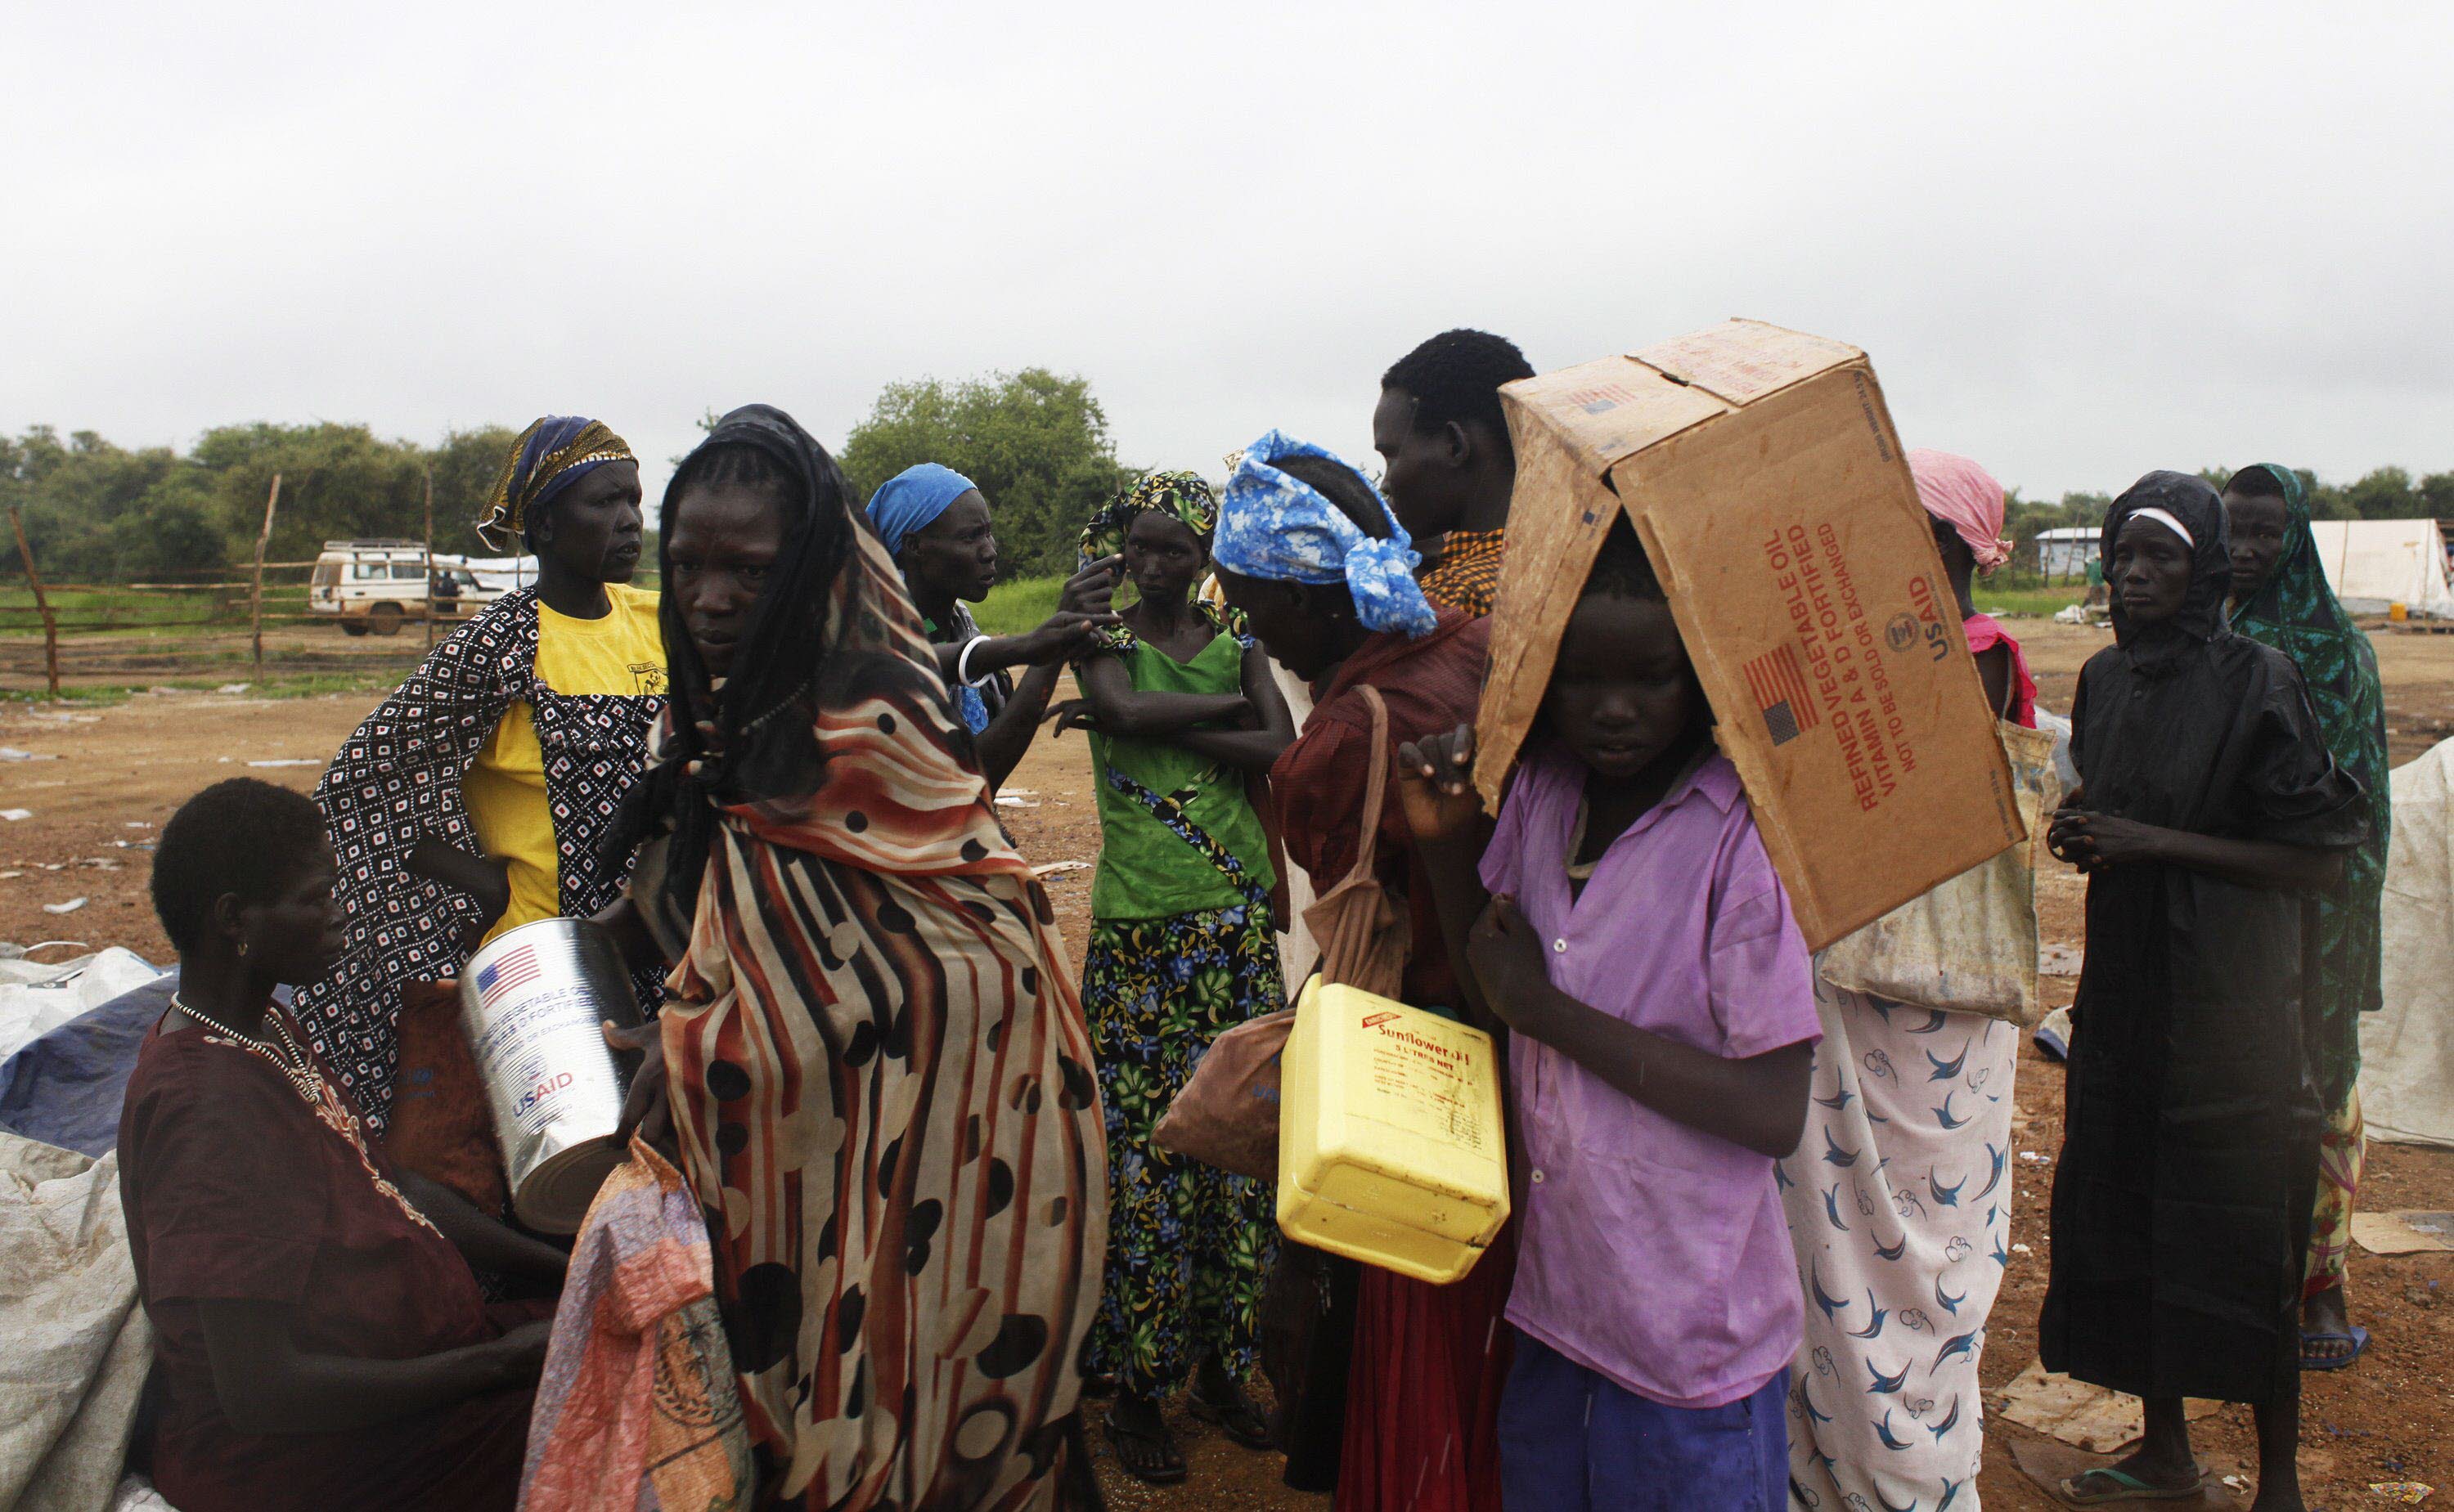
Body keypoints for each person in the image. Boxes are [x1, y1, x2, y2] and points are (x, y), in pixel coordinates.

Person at [598, 405, 1105, 1511]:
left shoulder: (871, 715)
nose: (711, 597)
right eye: (686, 566)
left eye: (747, 568)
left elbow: (958, 966)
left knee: (923, 1409)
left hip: (943, 1149)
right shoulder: (735, 717)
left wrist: (699, 1050)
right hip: (817, 1151)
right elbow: (760, 938)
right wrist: (689, 1015)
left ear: (814, 568)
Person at [1395, 518, 1819, 1512]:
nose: (1614, 711)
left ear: (1701, 680)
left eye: (1653, 679)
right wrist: (1446, 843)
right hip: (1561, 1296)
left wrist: (1546, 1009)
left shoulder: (1740, 843)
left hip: (1688, 1331)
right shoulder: (1544, 793)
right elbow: (1491, 984)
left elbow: (1772, 1107)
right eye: (1581, 679)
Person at [2041, 473, 2365, 1512]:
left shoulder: (2259, 678)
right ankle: (2167, 1450)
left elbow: (2316, 859)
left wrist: (2153, 842)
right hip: (2130, 990)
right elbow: (2111, 806)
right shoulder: (2103, 678)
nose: (2135, 575)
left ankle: (2278, 1483)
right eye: (2123, 554)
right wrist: (2086, 835)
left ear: (2206, 568)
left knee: (2240, 1228)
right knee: (2130, 1212)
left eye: (2162, 558)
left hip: (2232, 1001)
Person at [117, 778, 569, 1512]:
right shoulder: (209, 1110)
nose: (340, 915)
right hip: (321, 1461)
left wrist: (566, 1267)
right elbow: (263, 1390)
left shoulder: (265, 1031)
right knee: (628, 1408)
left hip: (416, 1381)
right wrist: (493, 1364)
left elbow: (393, 1185)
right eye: (316, 899)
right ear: (236, 919)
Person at [1212, 430, 1508, 1511]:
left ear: (1312, 601)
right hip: (1527, 1031)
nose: (1249, 627)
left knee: (1404, 1329)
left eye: (1255, 602)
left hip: (1422, 1055)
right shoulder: (1471, 643)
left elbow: (1344, 905)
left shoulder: (1339, 738)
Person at [1778, 450, 2035, 1510]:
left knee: (1908, 1245)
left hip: (1927, 1003)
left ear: (1932, 545)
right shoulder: (1899, 650)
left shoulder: (1971, 655)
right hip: (1870, 991)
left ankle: (1904, 1470)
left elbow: (1884, 800)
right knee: (1844, 1241)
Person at [296, 415, 665, 1127]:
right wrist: (486, 884)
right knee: (573, 1162)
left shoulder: (657, 620)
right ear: (546, 525)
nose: (629, 521)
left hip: (659, 946)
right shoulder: (498, 645)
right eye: (605, 502)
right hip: (549, 965)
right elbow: (362, 787)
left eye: (635, 500)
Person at [1050, 469, 1294, 1483]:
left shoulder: (1243, 646)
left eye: (1176, 550)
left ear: (1205, 558)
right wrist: (1215, 723)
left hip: (1234, 929)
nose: (1156, 565)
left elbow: (1279, 744)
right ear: (1120, 546)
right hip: (1143, 934)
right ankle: (1143, 1385)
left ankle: (1225, 1368)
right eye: (1141, 546)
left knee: (1240, 1149)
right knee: (1150, 1160)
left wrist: (1164, 723)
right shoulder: (1102, 642)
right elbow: (1120, 703)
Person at [2223, 462, 2393, 1372]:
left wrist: (2335, 918)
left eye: (2264, 532)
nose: (2246, 549)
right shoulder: (2213, 634)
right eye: (2235, 530)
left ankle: (2321, 1286)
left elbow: (2360, 810)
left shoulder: (2339, 650)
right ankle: (2249, 1275)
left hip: (2317, 910)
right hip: (2233, 904)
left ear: (2296, 537)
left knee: (2322, 1085)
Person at [862, 462, 1120, 792]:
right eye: (970, 537)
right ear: (914, 545)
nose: (990, 550)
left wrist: (1055, 644)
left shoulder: (959, 627)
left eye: (987, 532)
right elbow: (971, 781)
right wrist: (1048, 652)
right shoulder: (873, 637)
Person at [1371, 329, 1535, 615]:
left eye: (1392, 456)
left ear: (1454, 445)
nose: (1385, 483)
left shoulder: (1452, 597)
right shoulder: (1565, 560)